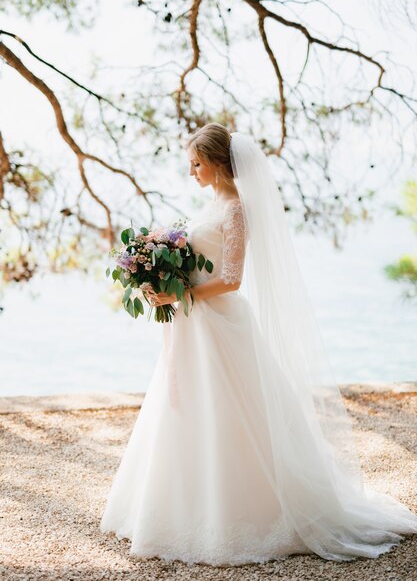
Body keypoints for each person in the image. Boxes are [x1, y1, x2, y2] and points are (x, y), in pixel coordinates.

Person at [100, 123, 417, 566]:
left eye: (196, 163)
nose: (191, 171)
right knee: (186, 408)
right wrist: (161, 273)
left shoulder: (236, 209)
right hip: (194, 324)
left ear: (216, 163)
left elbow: (231, 279)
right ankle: (178, 505)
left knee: (228, 411)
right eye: (190, 164)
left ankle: (243, 513)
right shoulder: (213, 203)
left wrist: (181, 293)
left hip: (219, 325)